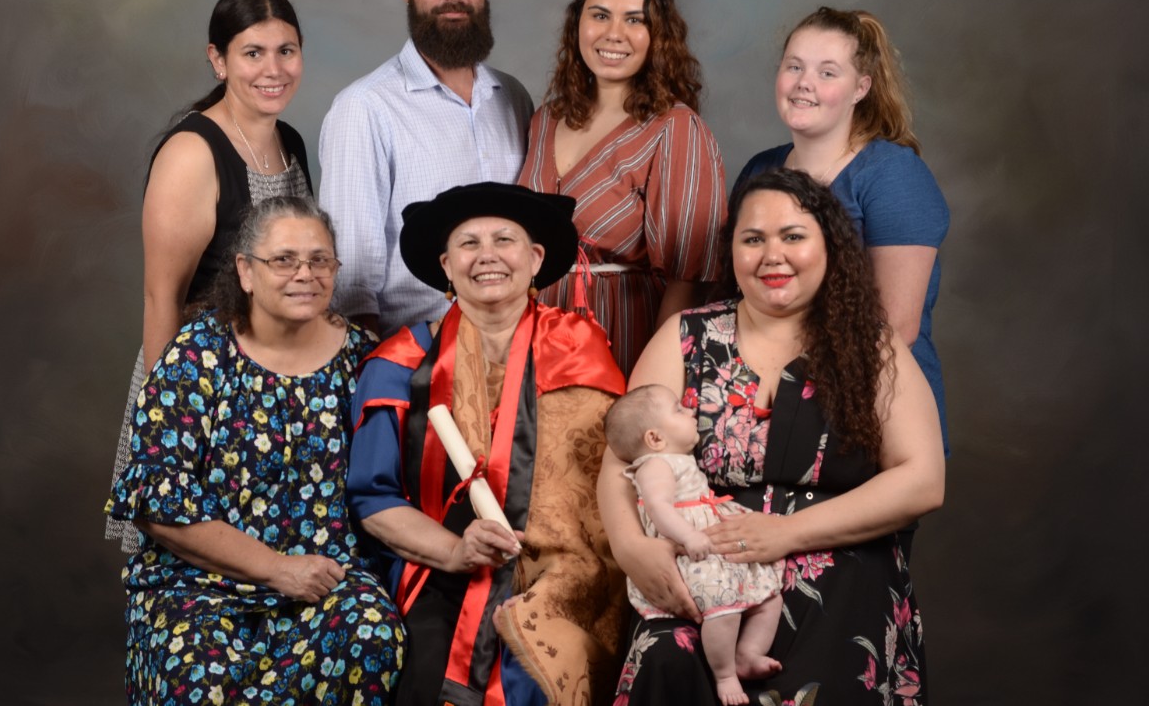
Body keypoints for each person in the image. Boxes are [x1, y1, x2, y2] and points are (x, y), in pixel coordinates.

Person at [600, 169, 945, 704]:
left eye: (792, 237)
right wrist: (630, 546)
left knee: (827, 680)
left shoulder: (871, 346)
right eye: (753, 239)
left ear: (828, 246)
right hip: (708, 572)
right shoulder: (685, 336)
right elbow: (618, 463)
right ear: (732, 250)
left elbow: (922, 481)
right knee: (666, 662)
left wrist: (788, 535)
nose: (771, 255)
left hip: (838, 565)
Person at [104, 196, 404, 704]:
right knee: (199, 675)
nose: (304, 274)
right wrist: (275, 568)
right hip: (200, 582)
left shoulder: (364, 360)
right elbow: (156, 503)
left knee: (371, 634)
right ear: (245, 270)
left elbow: (385, 490)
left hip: (327, 577)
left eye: (320, 260)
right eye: (283, 259)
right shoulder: (198, 354)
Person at [346, 182, 628, 705]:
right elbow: (373, 498)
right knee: (427, 674)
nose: (488, 256)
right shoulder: (400, 364)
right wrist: (456, 551)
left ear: (536, 258)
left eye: (505, 239)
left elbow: (614, 480)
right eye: (468, 244)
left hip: (570, 569)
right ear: (446, 266)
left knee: (544, 664)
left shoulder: (581, 349)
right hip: (439, 567)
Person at [106, 0, 314, 550]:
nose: (273, 69)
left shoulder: (290, 143)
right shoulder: (191, 153)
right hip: (198, 390)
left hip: (271, 389)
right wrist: (170, 429)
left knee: (271, 569)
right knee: (199, 567)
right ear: (217, 60)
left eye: (286, 51)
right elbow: (161, 298)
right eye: (253, 53)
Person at [734, 7, 951, 451]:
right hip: (765, 408)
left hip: (871, 411)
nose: (803, 83)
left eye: (827, 72)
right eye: (794, 66)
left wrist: (790, 387)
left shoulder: (893, 175)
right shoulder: (761, 169)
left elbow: (895, 327)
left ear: (861, 88)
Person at [319, 0, 533, 339]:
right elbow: (351, 281)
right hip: (414, 363)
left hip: (517, 353)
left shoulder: (512, 98)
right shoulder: (364, 108)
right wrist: (378, 384)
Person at [517, 0, 727, 376]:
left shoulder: (677, 128)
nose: (615, 34)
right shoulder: (545, 119)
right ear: (578, 23)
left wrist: (651, 380)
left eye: (635, 20)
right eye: (600, 15)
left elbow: (689, 282)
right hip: (531, 337)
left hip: (623, 343)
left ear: (658, 35)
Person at [605, 384, 783, 706]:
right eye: (678, 409)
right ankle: (725, 673)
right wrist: (688, 536)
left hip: (709, 544)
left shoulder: (677, 459)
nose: (690, 411)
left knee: (769, 596)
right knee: (723, 608)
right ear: (655, 438)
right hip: (690, 553)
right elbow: (659, 509)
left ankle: (747, 652)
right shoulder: (655, 466)